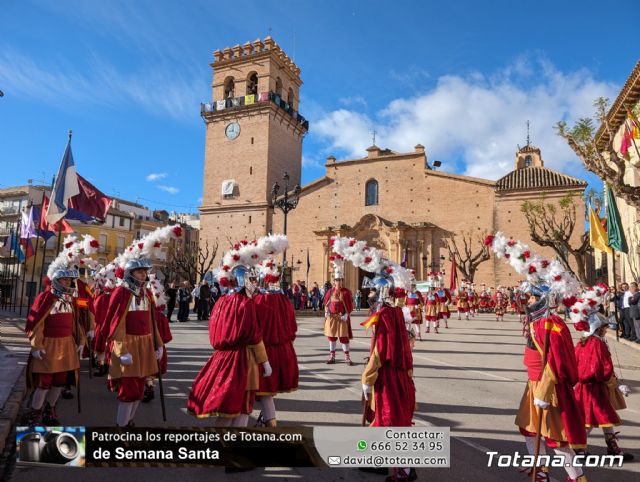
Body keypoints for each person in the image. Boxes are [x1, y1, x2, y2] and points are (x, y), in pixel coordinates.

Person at [187, 239, 279, 428]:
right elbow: (253, 335)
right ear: (242, 281)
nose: (254, 284)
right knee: (239, 405)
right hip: (242, 360)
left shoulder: (222, 301)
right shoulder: (246, 303)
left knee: (232, 405)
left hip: (222, 358)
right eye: (251, 280)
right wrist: (264, 360)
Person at [23, 248, 86, 425]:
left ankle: (50, 411)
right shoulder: (45, 297)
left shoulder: (70, 300)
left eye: (68, 279)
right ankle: (35, 413)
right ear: (55, 280)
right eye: (63, 279)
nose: (67, 282)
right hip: (48, 346)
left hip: (66, 346)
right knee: (44, 383)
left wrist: (81, 341)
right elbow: (36, 323)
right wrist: (36, 345)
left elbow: (76, 322)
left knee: (59, 382)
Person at [571, 288, 633, 461]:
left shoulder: (585, 342)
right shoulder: (595, 344)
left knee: (605, 418)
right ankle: (579, 449)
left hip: (592, 387)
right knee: (591, 419)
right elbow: (601, 367)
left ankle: (613, 448)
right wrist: (613, 381)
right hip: (593, 388)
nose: (606, 331)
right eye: (604, 328)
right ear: (597, 328)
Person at [104, 257, 165, 427]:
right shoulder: (121, 292)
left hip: (145, 346)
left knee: (138, 390)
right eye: (140, 271)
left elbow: (152, 323)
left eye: (145, 271)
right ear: (130, 274)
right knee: (128, 390)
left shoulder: (146, 293)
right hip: (128, 345)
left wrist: (158, 345)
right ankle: (120, 427)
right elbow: (117, 324)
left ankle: (129, 422)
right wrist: (122, 351)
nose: (144, 274)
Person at [253, 254, 299, 427]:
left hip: (263, 352)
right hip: (284, 350)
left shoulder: (257, 301)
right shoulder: (285, 301)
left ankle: (269, 424)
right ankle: (266, 418)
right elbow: (293, 328)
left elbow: (254, 330)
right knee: (268, 392)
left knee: (263, 391)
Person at [323, 252, 354, 365]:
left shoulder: (346, 292)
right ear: (334, 281)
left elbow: (350, 305)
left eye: (340, 280)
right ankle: (332, 356)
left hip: (342, 318)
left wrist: (347, 314)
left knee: (344, 338)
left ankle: (347, 357)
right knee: (332, 338)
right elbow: (326, 303)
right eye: (337, 280)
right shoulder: (330, 291)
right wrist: (326, 312)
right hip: (331, 317)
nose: (339, 282)